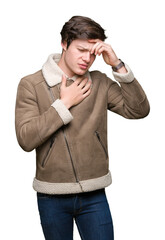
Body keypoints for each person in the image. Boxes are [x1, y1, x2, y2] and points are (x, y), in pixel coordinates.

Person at [15, 15, 150, 240]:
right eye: (80, 50)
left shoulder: (99, 82)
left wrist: (117, 64)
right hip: (52, 195)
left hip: (94, 193)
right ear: (64, 43)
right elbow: (25, 139)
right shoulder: (31, 85)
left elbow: (138, 110)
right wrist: (65, 103)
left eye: (93, 53)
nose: (87, 59)